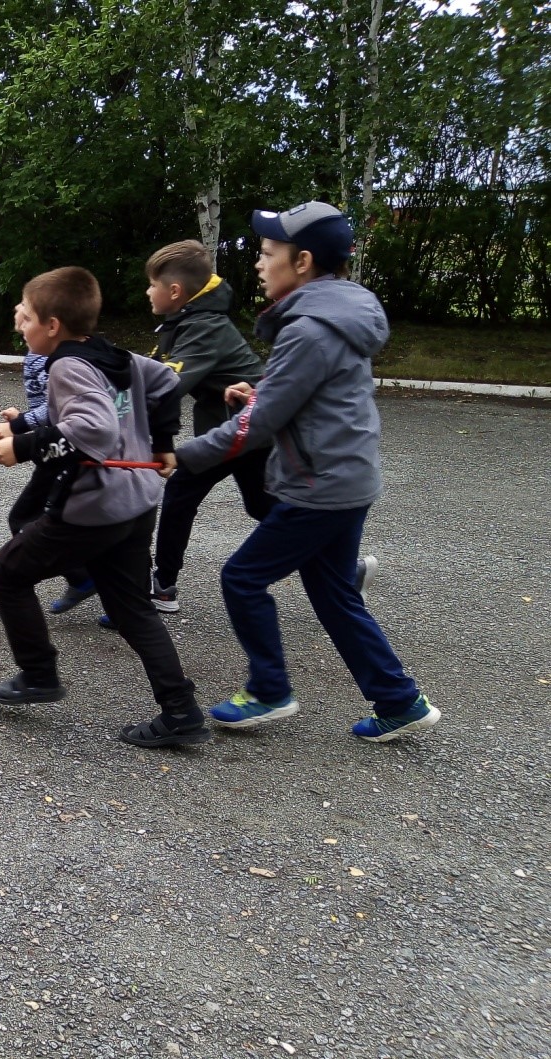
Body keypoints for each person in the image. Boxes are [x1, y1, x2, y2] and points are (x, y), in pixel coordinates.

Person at [175, 203, 438, 743]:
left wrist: (184, 456)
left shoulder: (309, 331)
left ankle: (270, 689)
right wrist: (264, 393)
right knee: (335, 593)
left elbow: (257, 428)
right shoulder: (337, 314)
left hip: (318, 487)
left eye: (268, 254)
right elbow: (301, 397)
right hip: (348, 479)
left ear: (303, 262)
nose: (259, 263)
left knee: (242, 578)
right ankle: (399, 699)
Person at [0, 266, 211, 749]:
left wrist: (22, 447)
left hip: (97, 507)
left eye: (27, 320)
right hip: (137, 502)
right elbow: (166, 383)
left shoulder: (64, 366)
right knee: (132, 610)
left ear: (53, 326)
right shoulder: (112, 353)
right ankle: (181, 710)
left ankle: (39, 674)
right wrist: (164, 443)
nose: (21, 327)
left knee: (7, 572)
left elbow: (94, 431)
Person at [141, 239, 274, 612]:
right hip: (238, 427)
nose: (147, 291)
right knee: (264, 507)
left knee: (181, 493)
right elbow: (154, 369)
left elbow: (166, 382)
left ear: (175, 291)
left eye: (152, 284)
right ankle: (344, 568)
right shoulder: (186, 321)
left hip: (242, 427)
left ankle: (163, 587)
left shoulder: (204, 327)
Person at [0, 309, 98, 616]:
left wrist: (20, 425)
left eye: (26, 310)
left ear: (51, 324)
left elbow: (59, 410)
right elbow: (49, 405)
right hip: (54, 442)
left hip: (62, 447)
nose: (17, 313)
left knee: (26, 517)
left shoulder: (54, 357)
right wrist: (22, 417)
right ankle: (91, 581)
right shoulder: (41, 351)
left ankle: (86, 578)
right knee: (56, 519)